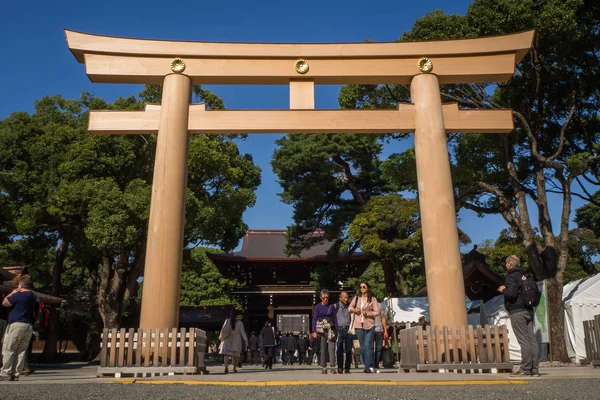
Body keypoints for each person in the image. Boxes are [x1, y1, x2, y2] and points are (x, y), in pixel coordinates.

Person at [498, 255, 540, 378]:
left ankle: (525, 369)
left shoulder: (511, 276)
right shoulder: (526, 275)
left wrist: (503, 289)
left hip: (517, 311)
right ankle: (534, 369)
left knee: (523, 340)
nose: (506, 266)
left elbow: (511, 294)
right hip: (529, 310)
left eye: (506, 263)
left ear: (510, 264)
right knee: (532, 340)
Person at [1, 277, 36, 381]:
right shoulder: (33, 296)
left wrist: (11, 293)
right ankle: (16, 374)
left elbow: (5, 303)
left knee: (9, 349)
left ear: (21, 285)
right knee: (21, 351)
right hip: (28, 326)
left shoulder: (19, 295)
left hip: (17, 324)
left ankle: (5, 372)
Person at [349, 281, 380, 373]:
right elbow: (349, 308)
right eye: (361, 287)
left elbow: (377, 312)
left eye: (364, 287)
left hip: (370, 325)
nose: (362, 288)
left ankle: (368, 366)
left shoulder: (373, 299)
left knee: (368, 345)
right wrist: (355, 310)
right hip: (359, 325)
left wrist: (369, 314)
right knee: (363, 347)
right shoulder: (356, 298)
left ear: (368, 288)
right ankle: (369, 365)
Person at [312, 289, 338, 374]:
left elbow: (335, 319)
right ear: (320, 298)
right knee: (323, 349)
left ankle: (333, 366)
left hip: (331, 329)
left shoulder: (332, 307)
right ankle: (323, 367)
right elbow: (315, 319)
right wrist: (314, 331)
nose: (326, 299)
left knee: (332, 348)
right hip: (321, 330)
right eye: (324, 298)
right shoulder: (318, 307)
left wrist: (338, 331)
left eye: (327, 297)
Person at [218, 309, 248, 374]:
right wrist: (246, 340)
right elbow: (242, 332)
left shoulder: (227, 321)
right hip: (236, 339)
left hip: (227, 338)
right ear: (237, 316)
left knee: (226, 354)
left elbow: (223, 330)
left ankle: (226, 367)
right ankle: (234, 368)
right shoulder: (240, 323)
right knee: (235, 355)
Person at [335, 291, 353, 374]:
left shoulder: (349, 306)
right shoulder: (336, 306)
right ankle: (340, 367)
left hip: (348, 329)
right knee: (339, 349)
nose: (346, 299)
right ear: (340, 298)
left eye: (347, 297)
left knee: (349, 350)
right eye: (345, 297)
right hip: (339, 329)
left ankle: (347, 367)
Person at [372, 300, 389, 373]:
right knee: (370, 348)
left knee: (378, 349)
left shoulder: (380, 305)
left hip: (379, 329)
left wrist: (385, 330)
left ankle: (376, 365)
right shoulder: (367, 305)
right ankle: (371, 365)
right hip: (370, 329)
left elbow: (383, 318)